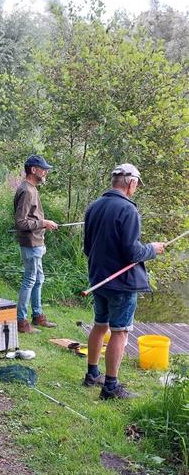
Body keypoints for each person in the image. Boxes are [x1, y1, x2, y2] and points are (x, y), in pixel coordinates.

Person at [83, 163, 165, 399]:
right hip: (121, 283)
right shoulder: (128, 210)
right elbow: (133, 253)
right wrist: (152, 249)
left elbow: (87, 248)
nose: (136, 188)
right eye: (136, 184)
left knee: (100, 325)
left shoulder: (94, 206)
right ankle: (110, 387)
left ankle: (92, 374)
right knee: (120, 332)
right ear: (131, 183)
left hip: (98, 280)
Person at [14, 155, 58, 333]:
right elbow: (20, 222)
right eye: (43, 169)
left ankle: (37, 315)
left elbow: (31, 218)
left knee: (38, 279)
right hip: (31, 244)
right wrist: (43, 223)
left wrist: (43, 223)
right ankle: (21, 321)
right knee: (30, 279)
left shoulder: (31, 189)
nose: (46, 172)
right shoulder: (26, 191)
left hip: (36, 242)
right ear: (33, 170)